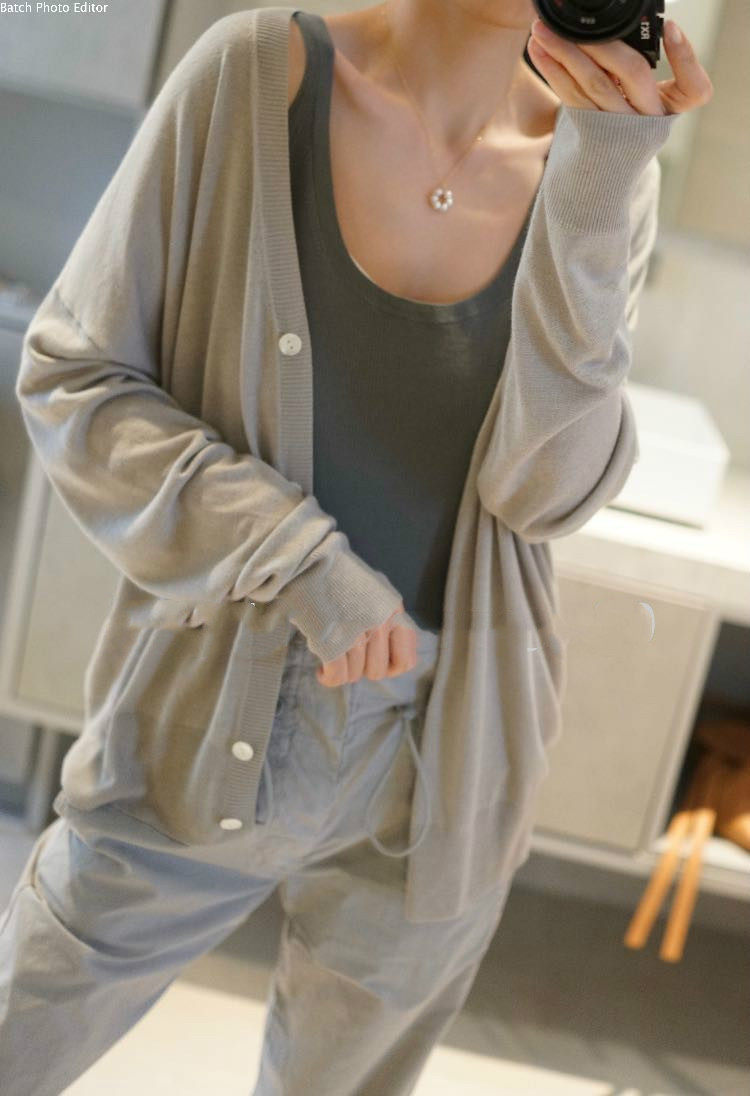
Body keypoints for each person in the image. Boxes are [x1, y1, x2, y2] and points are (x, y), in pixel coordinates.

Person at [1, 3, 712, 1094]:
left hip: (449, 763)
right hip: (202, 716)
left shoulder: (598, 161)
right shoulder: (254, 78)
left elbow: (544, 493)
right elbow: (73, 378)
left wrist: (604, 172)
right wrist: (295, 555)